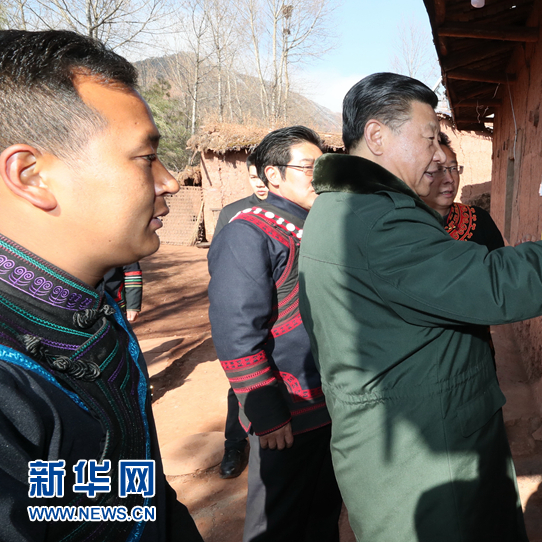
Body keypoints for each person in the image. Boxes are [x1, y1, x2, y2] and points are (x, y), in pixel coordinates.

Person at [297, 72, 542, 542]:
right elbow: (496, 283)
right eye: (429, 137)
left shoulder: (339, 208)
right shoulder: (378, 220)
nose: (437, 155)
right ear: (377, 135)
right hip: (423, 456)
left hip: (407, 437)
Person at [0, 29, 202, 541]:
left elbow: (143, 491)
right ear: (31, 175)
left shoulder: (92, 309)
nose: (170, 182)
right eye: (145, 157)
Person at [207, 126, 342, 542]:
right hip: (287, 408)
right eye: (308, 167)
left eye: (323, 167)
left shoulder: (319, 225)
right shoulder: (249, 232)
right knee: (278, 521)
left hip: (329, 401)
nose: (319, 176)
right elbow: (236, 330)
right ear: (273, 175)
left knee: (322, 512)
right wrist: (267, 412)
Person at [212, 151, 267, 479]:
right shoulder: (233, 213)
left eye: (263, 176)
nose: (259, 184)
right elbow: (219, 265)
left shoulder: (296, 212)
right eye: (252, 177)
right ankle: (234, 443)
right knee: (242, 380)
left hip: (285, 316)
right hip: (245, 312)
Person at [420, 132, 505, 251]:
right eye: (438, 169)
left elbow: (499, 260)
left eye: (453, 168)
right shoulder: (401, 225)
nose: (450, 179)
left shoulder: (480, 220)